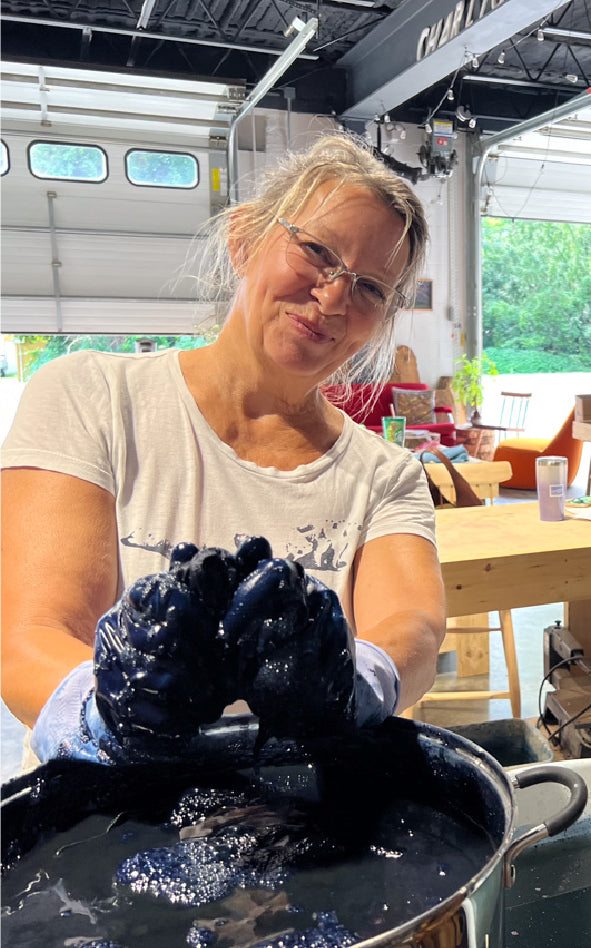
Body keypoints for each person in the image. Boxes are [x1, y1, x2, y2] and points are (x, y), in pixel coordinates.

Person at [1, 132, 446, 764]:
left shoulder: (386, 474)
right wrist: (105, 710)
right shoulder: (90, 397)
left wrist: (356, 681)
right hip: (108, 816)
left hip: (294, 815)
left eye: (371, 288)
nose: (335, 297)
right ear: (243, 240)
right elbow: (29, 636)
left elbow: (417, 632)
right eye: (317, 250)